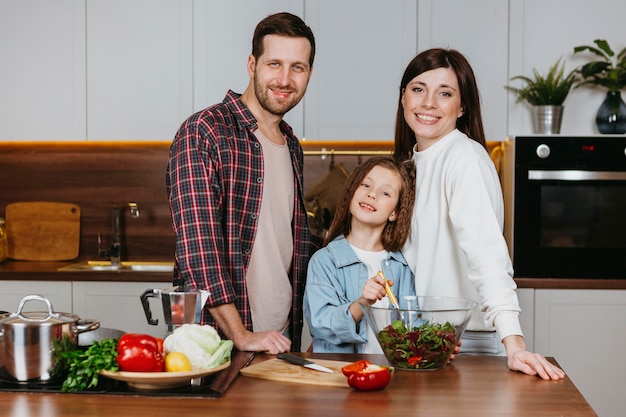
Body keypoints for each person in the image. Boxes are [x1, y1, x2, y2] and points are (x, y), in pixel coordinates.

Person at [392, 48, 565, 380]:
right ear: (403, 98)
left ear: (462, 107)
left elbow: (486, 253)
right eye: (418, 89)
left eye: (445, 93)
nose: (428, 102)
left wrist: (514, 344)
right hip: (428, 340)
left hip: (468, 342)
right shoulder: (409, 164)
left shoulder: (464, 159)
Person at [166, 12, 315, 354]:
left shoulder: (291, 144)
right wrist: (241, 335)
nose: (285, 78)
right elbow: (198, 248)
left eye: (298, 67)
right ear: (252, 64)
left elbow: (286, 240)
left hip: (278, 339)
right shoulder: (205, 131)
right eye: (274, 63)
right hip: (216, 345)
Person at [304, 156, 416, 353]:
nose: (372, 194)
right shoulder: (324, 261)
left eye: (385, 193)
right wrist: (362, 303)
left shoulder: (403, 265)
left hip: (394, 376)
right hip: (341, 377)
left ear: (395, 213)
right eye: (365, 185)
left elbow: (413, 324)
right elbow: (321, 325)